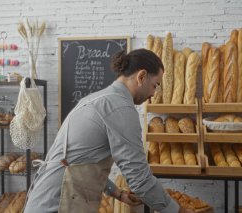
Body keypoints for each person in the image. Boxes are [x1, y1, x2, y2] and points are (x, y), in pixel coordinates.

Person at [24, 48, 195, 213]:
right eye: (155, 85)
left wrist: (117, 193)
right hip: (56, 204)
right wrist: (179, 211)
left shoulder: (95, 99)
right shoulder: (121, 108)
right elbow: (140, 179)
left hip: (44, 199)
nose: (154, 93)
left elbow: (81, 161)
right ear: (141, 76)